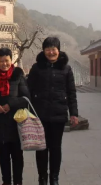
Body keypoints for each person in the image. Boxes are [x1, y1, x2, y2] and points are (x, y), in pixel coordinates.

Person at [27, 37, 79, 185]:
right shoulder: (37, 68)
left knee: (55, 148)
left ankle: (54, 178)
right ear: (44, 50)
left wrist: (74, 113)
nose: (51, 52)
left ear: (58, 50)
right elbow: (29, 90)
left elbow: (71, 92)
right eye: (48, 49)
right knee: (41, 148)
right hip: (40, 114)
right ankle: (42, 178)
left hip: (58, 114)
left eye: (53, 49)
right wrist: (28, 112)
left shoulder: (66, 69)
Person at [0, 47, 30, 185]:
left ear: (11, 61)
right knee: (3, 155)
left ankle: (18, 182)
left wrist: (10, 104)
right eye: (1, 61)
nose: (4, 64)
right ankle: (6, 181)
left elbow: (26, 98)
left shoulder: (18, 75)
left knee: (17, 155)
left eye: (7, 60)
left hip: (16, 122)